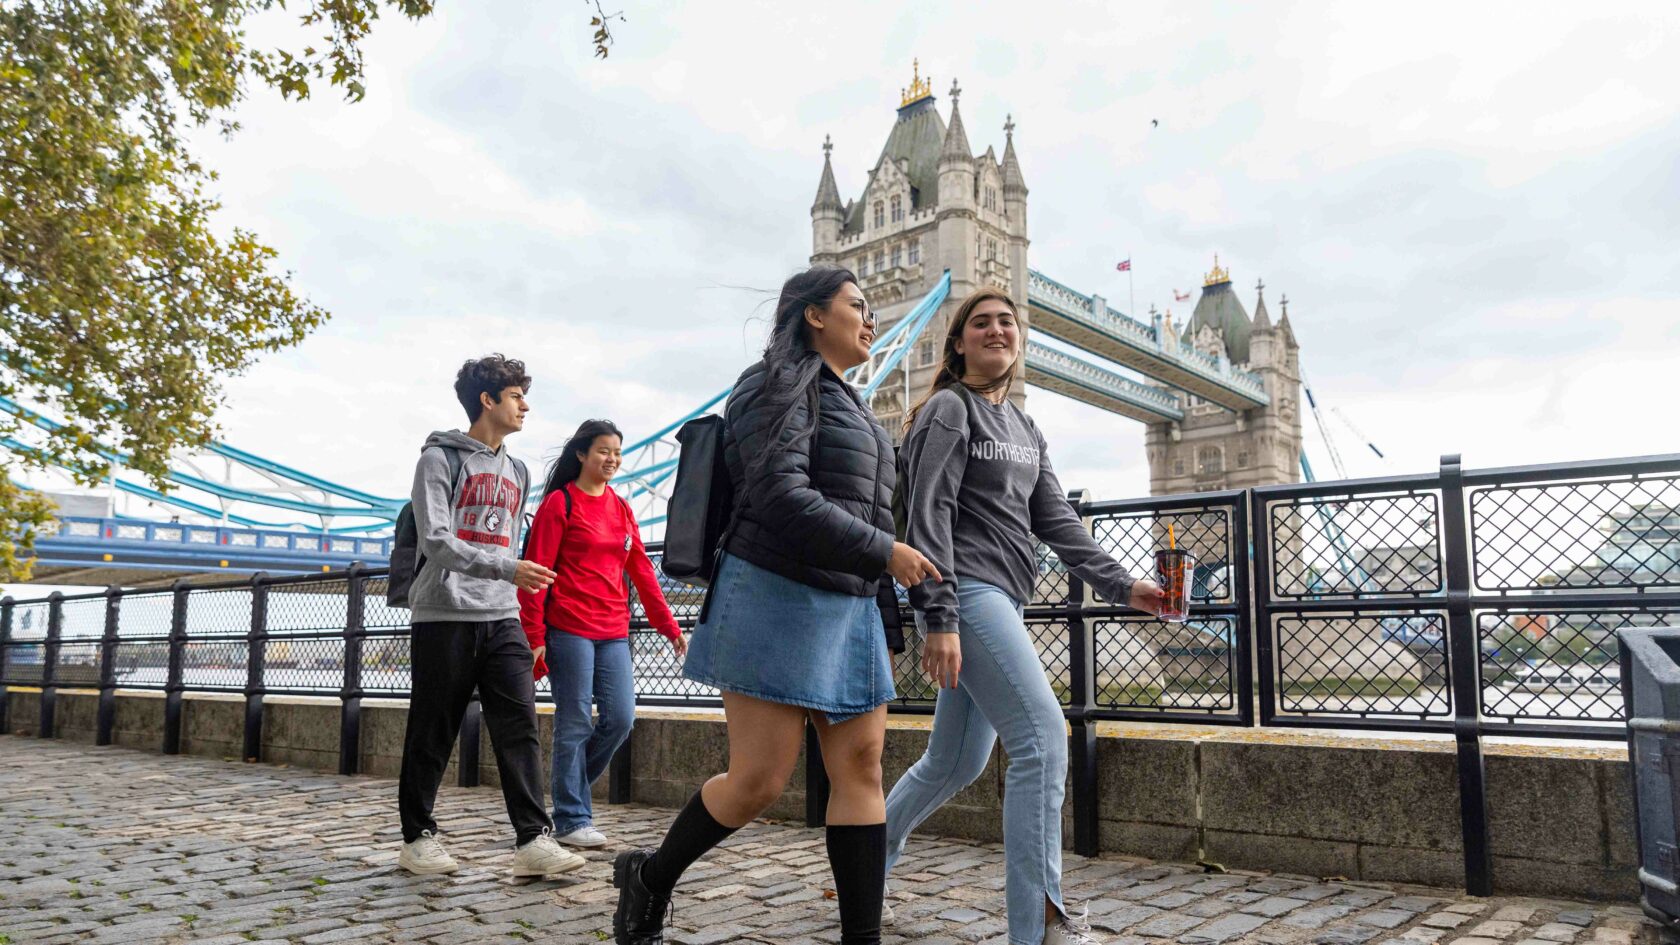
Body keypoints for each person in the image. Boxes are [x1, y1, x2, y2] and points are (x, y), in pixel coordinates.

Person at [610, 268, 941, 945]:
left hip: (850, 609)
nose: (871, 318)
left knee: (862, 765)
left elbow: (872, 515)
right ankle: (650, 874)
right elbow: (780, 496)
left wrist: (886, 612)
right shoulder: (770, 385)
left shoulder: (861, 412)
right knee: (759, 780)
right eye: (857, 305)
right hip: (775, 588)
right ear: (815, 315)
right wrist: (885, 553)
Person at [886, 290, 1166, 945]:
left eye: (1007, 321)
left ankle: (862, 867)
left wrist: (1126, 586)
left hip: (1006, 598)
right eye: (980, 321)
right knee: (1043, 741)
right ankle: (1041, 923)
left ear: (1019, 340)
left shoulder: (1023, 426)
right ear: (957, 343)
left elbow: (1058, 522)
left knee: (951, 764)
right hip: (970, 594)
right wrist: (941, 617)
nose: (996, 329)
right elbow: (928, 516)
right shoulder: (950, 411)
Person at [396, 354, 585, 879]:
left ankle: (532, 838)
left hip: (501, 615)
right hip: (445, 613)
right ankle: (417, 837)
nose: (525, 405)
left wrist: (516, 588)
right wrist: (506, 567)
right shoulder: (439, 460)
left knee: (519, 726)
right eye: (516, 396)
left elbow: (512, 547)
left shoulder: (518, 471)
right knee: (434, 729)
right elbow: (435, 540)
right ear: (488, 400)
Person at [519, 419, 687, 849]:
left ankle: (567, 794)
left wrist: (669, 628)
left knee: (620, 719)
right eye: (602, 451)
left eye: (616, 452)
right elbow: (535, 573)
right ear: (581, 454)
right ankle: (573, 818)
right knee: (574, 721)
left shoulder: (622, 508)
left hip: (613, 630)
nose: (611, 459)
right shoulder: (561, 504)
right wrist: (534, 633)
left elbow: (643, 575)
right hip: (569, 628)